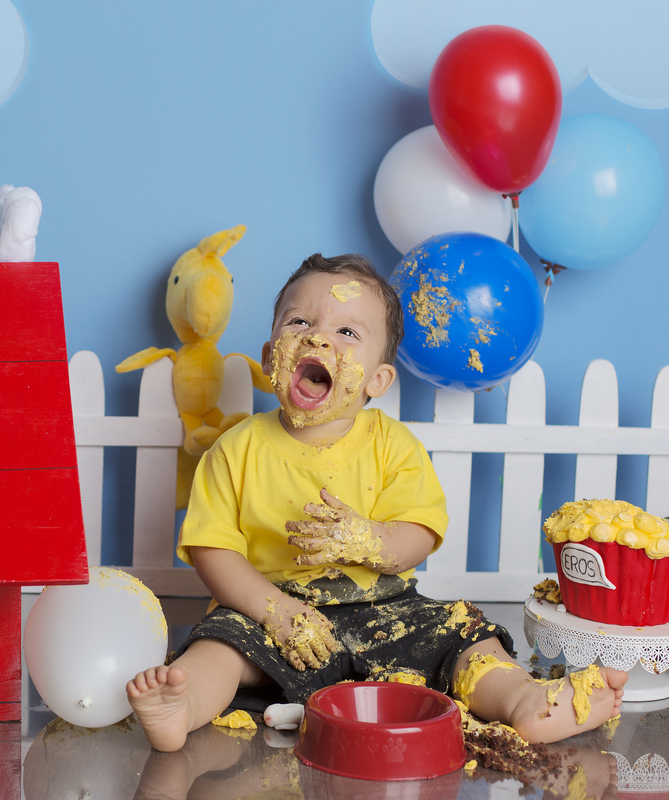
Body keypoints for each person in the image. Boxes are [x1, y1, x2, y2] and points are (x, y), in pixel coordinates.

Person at [126, 253, 626, 753]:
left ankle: (523, 699)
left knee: (464, 633)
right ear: (269, 355)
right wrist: (276, 612)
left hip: (384, 609)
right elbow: (214, 551)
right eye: (299, 322)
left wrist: (368, 539)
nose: (318, 339)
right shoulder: (234, 450)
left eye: (347, 332)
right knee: (221, 642)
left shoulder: (393, 445)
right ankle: (184, 704)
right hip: (271, 610)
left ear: (377, 380)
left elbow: (419, 533)